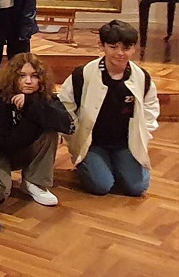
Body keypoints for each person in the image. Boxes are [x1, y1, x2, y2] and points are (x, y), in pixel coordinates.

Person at [58, 20, 160, 197]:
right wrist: (75, 137)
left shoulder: (142, 77)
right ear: (102, 46)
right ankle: (93, 164)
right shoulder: (83, 74)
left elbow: (151, 108)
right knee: (101, 186)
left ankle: (114, 164)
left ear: (134, 49)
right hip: (93, 143)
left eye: (126, 48)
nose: (120, 53)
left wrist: (144, 133)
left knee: (137, 188)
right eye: (113, 47)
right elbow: (65, 105)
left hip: (125, 144)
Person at [0, 53, 72, 206]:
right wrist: (35, 115)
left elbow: (68, 124)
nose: (28, 81)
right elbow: (8, 142)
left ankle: (35, 182)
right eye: (22, 76)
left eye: (34, 76)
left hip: (18, 148)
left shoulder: (40, 97)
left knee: (50, 131)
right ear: (13, 77)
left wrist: (32, 104)